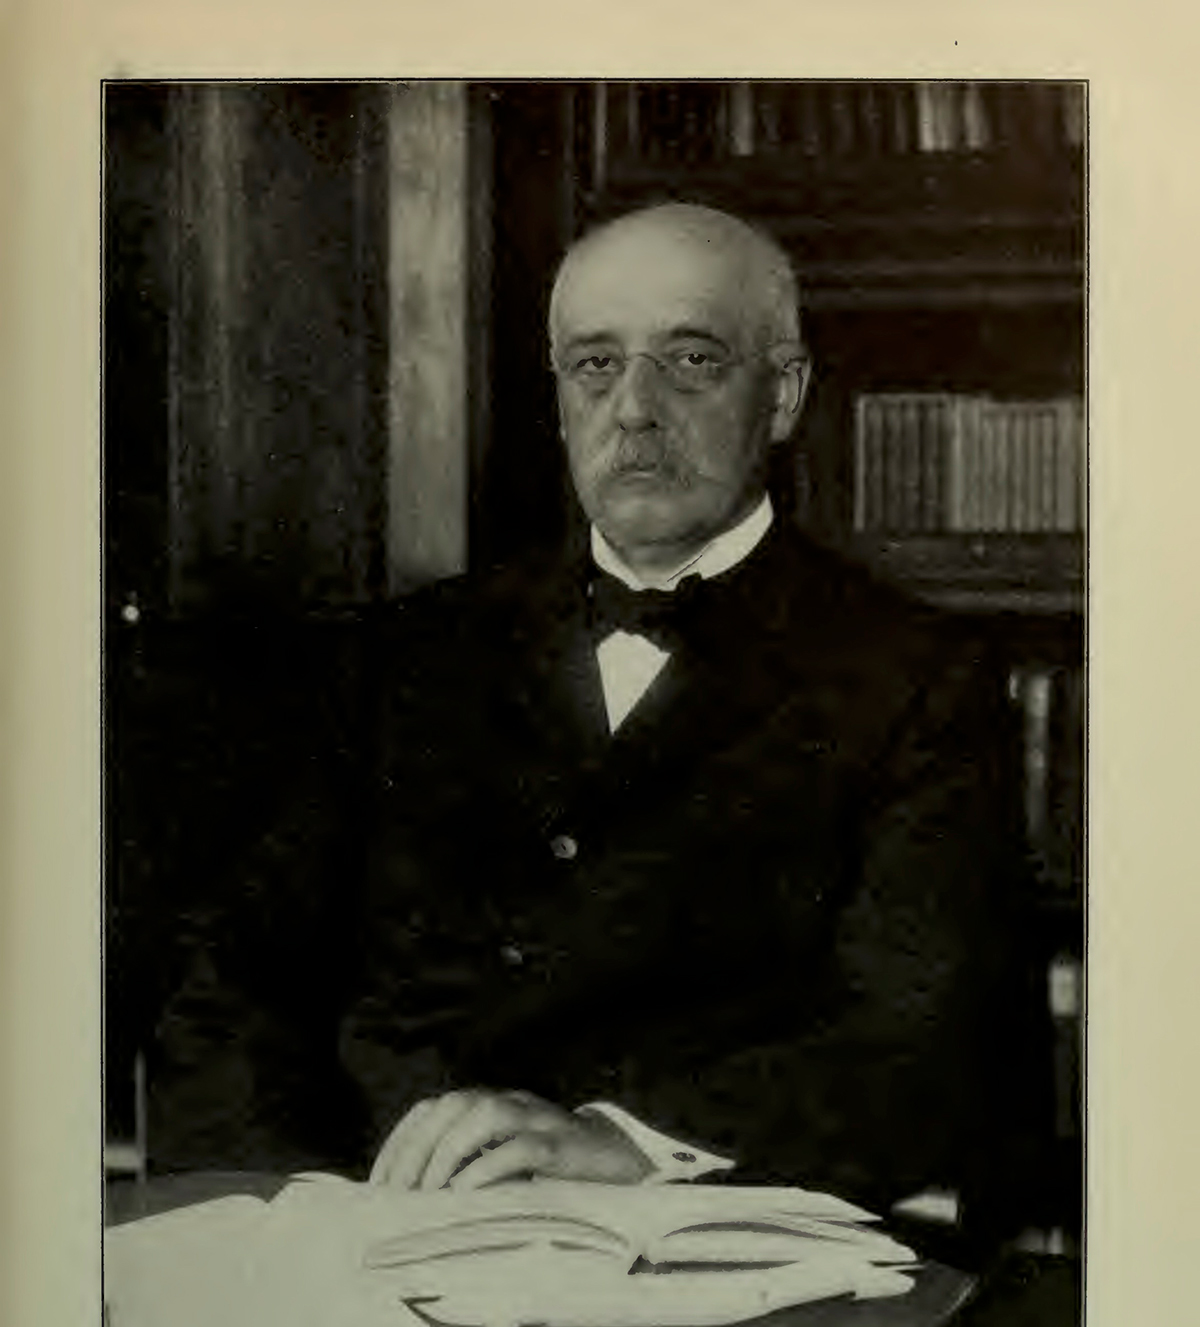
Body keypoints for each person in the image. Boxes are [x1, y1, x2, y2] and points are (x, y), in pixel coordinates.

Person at [326, 202, 1028, 1219]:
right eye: (594, 365)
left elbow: (917, 1042)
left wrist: (629, 1140)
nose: (634, 410)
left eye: (692, 361)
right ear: (558, 398)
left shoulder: (920, 676)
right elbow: (239, 987)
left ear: (782, 395)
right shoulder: (401, 651)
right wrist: (268, 1205)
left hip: (703, 1241)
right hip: (379, 1222)